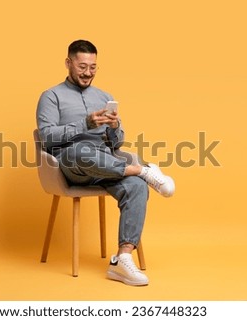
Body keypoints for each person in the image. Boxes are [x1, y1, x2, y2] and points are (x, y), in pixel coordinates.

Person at [36, 39, 175, 286]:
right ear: (68, 63)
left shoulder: (105, 96)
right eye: (82, 66)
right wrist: (85, 124)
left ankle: (122, 260)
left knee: (136, 187)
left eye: (93, 67)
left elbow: (116, 144)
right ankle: (142, 170)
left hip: (104, 164)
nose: (88, 72)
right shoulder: (51, 96)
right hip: (71, 166)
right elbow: (47, 138)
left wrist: (114, 128)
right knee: (79, 150)